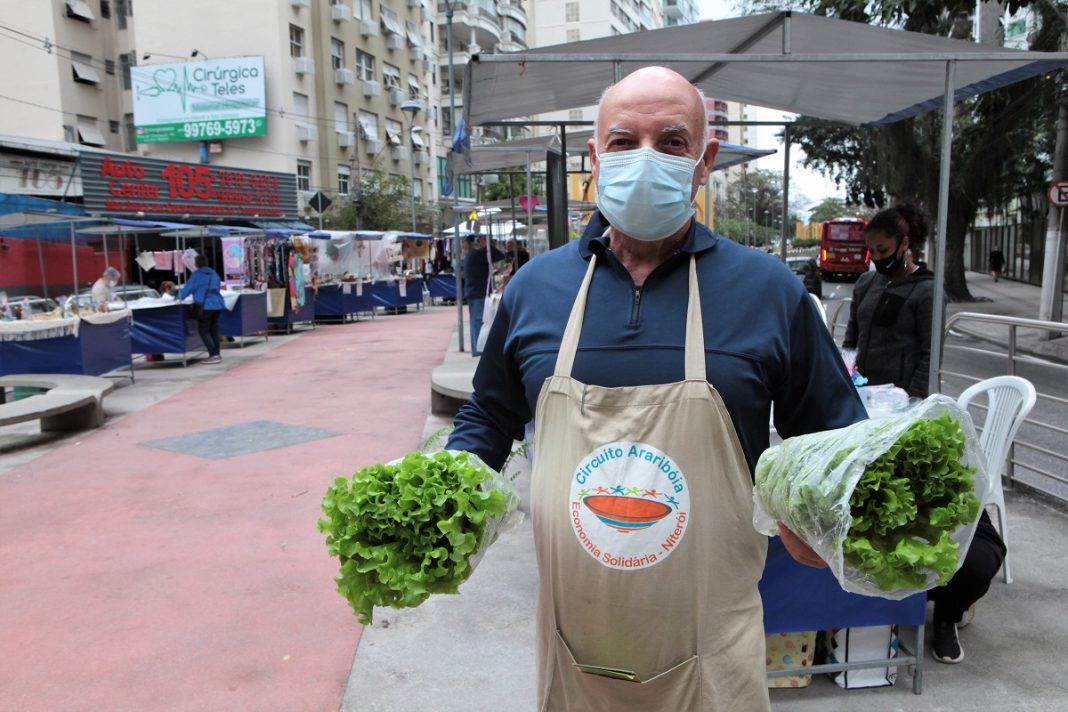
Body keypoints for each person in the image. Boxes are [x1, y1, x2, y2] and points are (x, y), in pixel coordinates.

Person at [446, 66, 865, 711]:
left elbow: (836, 442)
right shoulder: (536, 289)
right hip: (571, 648)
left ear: (705, 161)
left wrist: (826, 521)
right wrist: (442, 500)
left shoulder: (770, 291)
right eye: (622, 141)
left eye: (671, 142)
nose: (645, 158)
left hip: (712, 654)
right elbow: (489, 415)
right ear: (594, 158)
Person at [842, 204, 935, 399]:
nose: (876, 257)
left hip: (899, 400)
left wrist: (912, 401)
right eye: (871, 251)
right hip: (861, 394)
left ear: (904, 244)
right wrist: (845, 378)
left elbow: (930, 356)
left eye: (883, 251)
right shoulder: (865, 283)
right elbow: (851, 340)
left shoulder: (926, 290)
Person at [462, 234, 506, 356]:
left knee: (475, 321)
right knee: (479, 321)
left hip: (473, 292)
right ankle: (478, 350)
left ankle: (476, 349)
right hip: (479, 292)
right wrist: (488, 246)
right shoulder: (478, 255)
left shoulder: (472, 255)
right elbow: (499, 255)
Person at [179, 255, 225, 364]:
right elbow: (217, 287)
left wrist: (177, 298)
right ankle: (217, 354)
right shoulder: (214, 274)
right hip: (218, 304)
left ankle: (213, 355)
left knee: (203, 331)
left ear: (196, 264)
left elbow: (187, 289)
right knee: (214, 330)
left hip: (205, 306)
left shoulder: (196, 275)